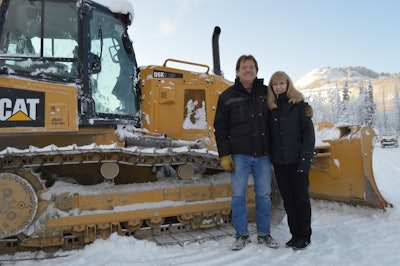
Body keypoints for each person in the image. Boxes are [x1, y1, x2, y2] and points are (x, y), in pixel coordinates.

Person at [213, 55, 279, 251]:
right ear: (237, 71)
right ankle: (241, 235)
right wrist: (224, 155)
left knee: (264, 196)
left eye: (251, 67)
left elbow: (284, 108)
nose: (248, 70)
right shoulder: (227, 96)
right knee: (238, 196)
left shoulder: (267, 93)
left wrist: (302, 107)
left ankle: (264, 234)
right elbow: (220, 128)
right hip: (239, 155)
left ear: (256, 71)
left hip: (263, 155)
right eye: (244, 67)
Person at [267, 71, 315, 250]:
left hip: (297, 162)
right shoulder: (271, 109)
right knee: (288, 200)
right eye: (275, 84)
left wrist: (305, 162)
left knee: (301, 200)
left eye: (281, 83)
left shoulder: (300, 107)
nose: (278, 87)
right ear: (272, 88)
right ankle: (295, 234)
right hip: (280, 164)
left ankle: (305, 236)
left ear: (288, 85)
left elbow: (309, 137)